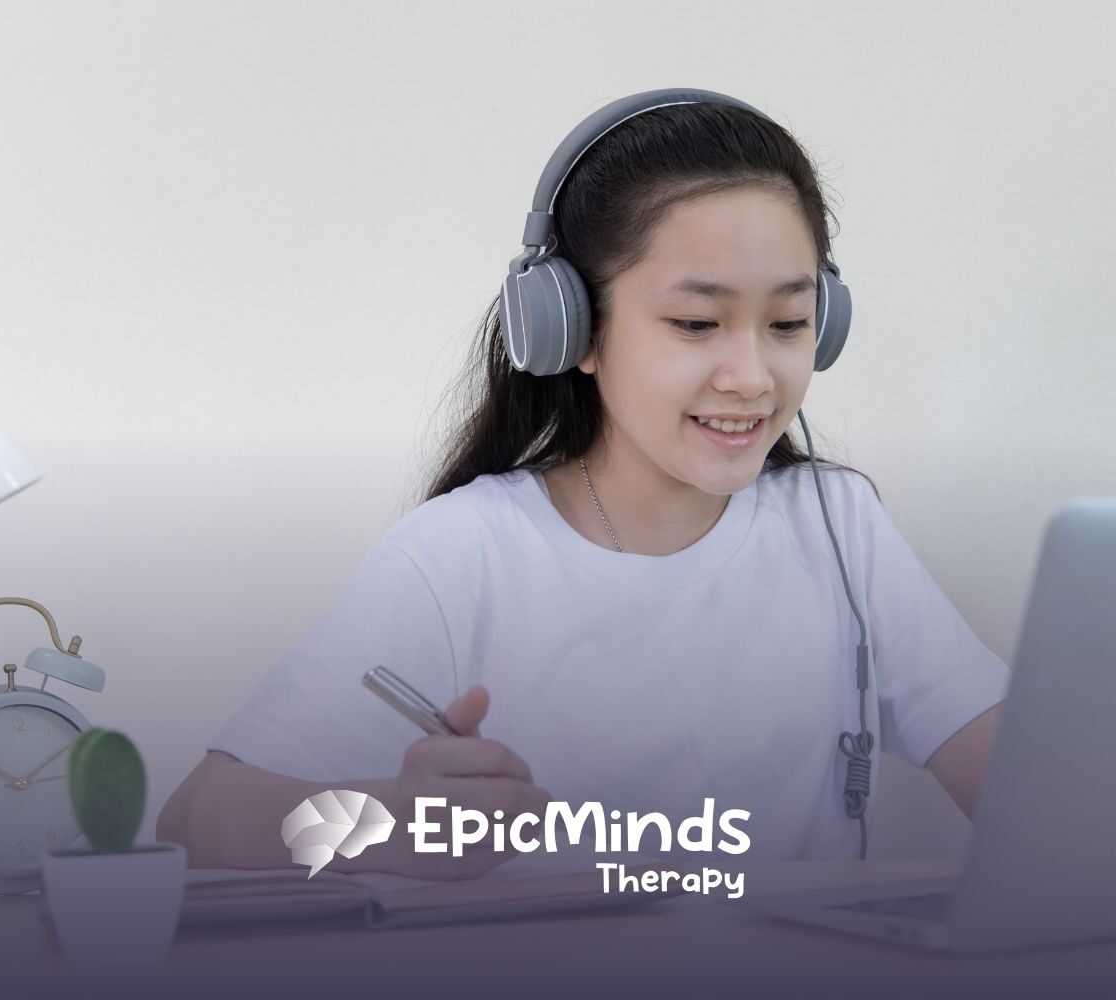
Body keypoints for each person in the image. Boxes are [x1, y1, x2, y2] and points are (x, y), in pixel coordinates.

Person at [157, 90, 1007, 878]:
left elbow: (1026, 790)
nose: (752, 376)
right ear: (570, 330)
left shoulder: (838, 528)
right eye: (696, 323)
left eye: (788, 323)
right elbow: (197, 818)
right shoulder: (461, 555)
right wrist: (387, 822)